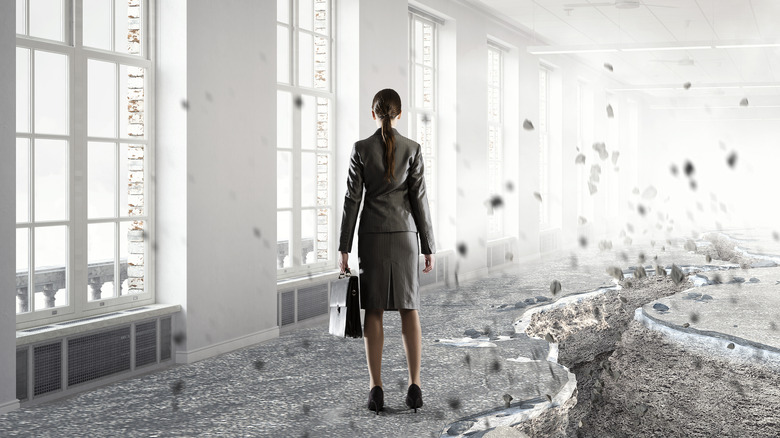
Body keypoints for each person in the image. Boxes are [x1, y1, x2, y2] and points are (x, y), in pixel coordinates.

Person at [338, 88, 436, 414]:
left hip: (372, 236)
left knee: (375, 311)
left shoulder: (361, 149)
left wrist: (343, 247)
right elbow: (420, 200)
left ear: (373, 113)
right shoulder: (413, 148)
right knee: (410, 309)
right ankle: (415, 385)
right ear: (399, 113)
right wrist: (428, 246)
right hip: (406, 237)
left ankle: (375, 389)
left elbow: (352, 200)